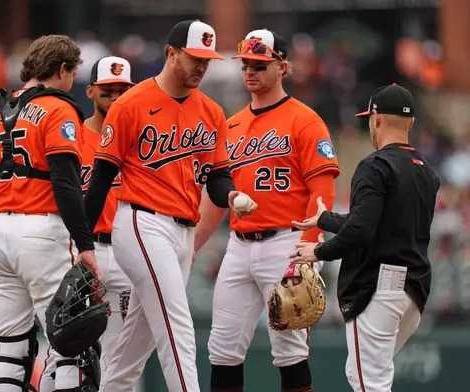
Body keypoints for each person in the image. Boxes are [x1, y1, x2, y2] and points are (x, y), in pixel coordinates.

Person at [84, 20, 256, 392]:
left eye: (206, 60)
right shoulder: (130, 104)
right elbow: (100, 178)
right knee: (177, 324)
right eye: (194, 58)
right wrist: (80, 241)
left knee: (135, 346)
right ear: (171, 53)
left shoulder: (211, 112)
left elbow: (216, 176)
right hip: (142, 224)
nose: (201, 66)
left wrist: (230, 195)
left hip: (183, 233)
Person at [193, 29, 340, 392]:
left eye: (260, 64)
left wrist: (308, 250)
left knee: (289, 351)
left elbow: (322, 191)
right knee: (222, 351)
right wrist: (191, 246)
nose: (250, 71)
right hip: (240, 245)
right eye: (246, 64)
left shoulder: (305, 120)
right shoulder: (232, 124)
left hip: (286, 242)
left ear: (283, 67)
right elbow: (217, 196)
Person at [290, 84, 440, 392]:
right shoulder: (425, 170)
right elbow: (374, 221)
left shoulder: (375, 165)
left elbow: (361, 230)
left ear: (376, 118)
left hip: (378, 288)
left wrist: (319, 251)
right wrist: (324, 219)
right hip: (413, 292)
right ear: (410, 122)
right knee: (367, 374)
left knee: (368, 381)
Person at [0, 34, 99, 392]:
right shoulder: (59, 108)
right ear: (61, 68)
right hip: (41, 230)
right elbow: (65, 183)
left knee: (10, 348)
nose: (72, 80)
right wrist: (85, 244)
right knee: (72, 343)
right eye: (72, 72)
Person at [81, 55, 134, 379]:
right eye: (107, 90)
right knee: (72, 347)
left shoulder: (137, 142)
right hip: (89, 249)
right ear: (90, 92)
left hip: (127, 250)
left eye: (122, 90)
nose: (115, 97)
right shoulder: (72, 138)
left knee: (120, 352)